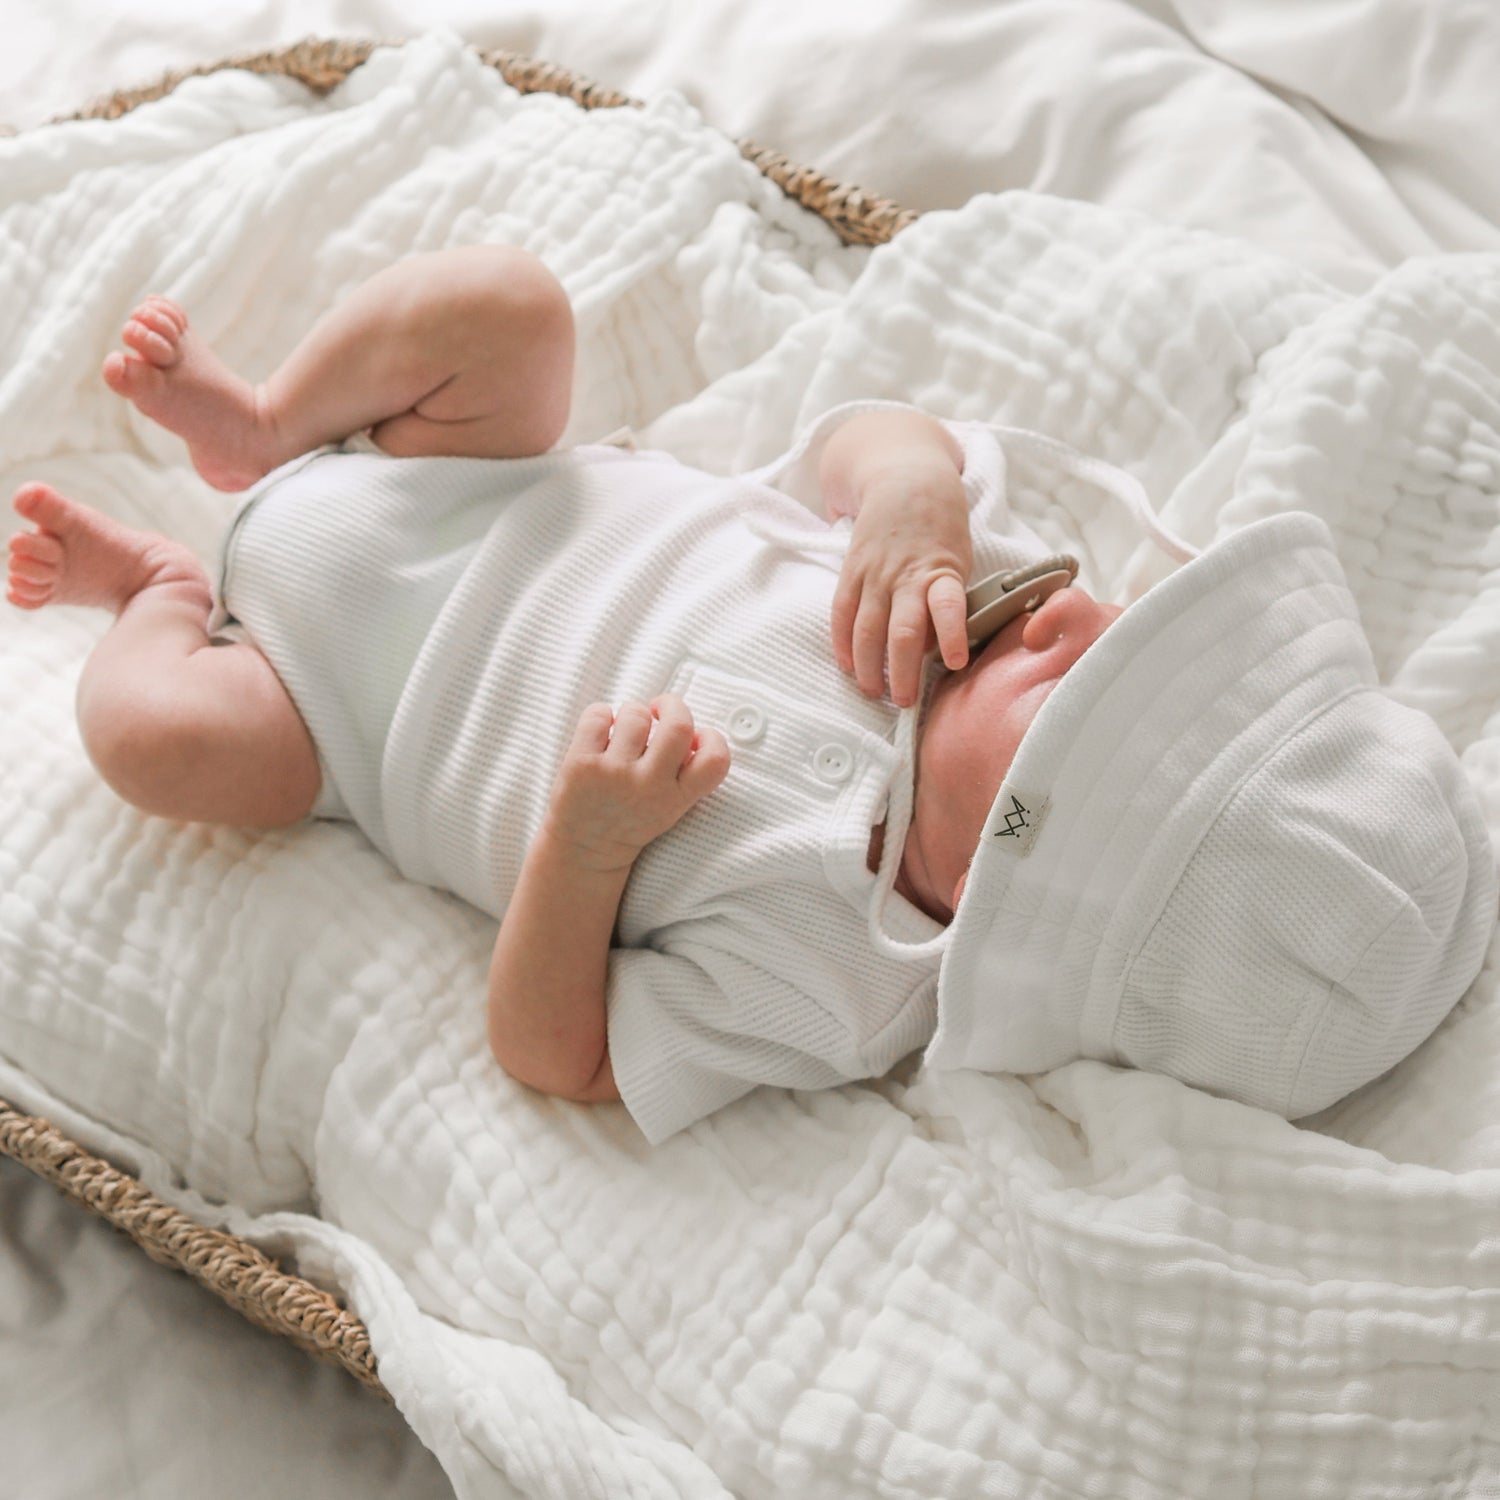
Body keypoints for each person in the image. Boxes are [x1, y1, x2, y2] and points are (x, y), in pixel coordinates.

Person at [8, 246, 1494, 1144]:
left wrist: (582, 851)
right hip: (467, 469)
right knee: (509, 310)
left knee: (160, 742)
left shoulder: (836, 979)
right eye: (1133, 623)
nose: (1083, 614)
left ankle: (155, 592)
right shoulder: (964, 606)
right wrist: (911, 490)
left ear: (1005, 888)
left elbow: (559, 1055)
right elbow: (875, 442)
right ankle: (266, 423)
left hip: (324, 709)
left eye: (1089, 688)